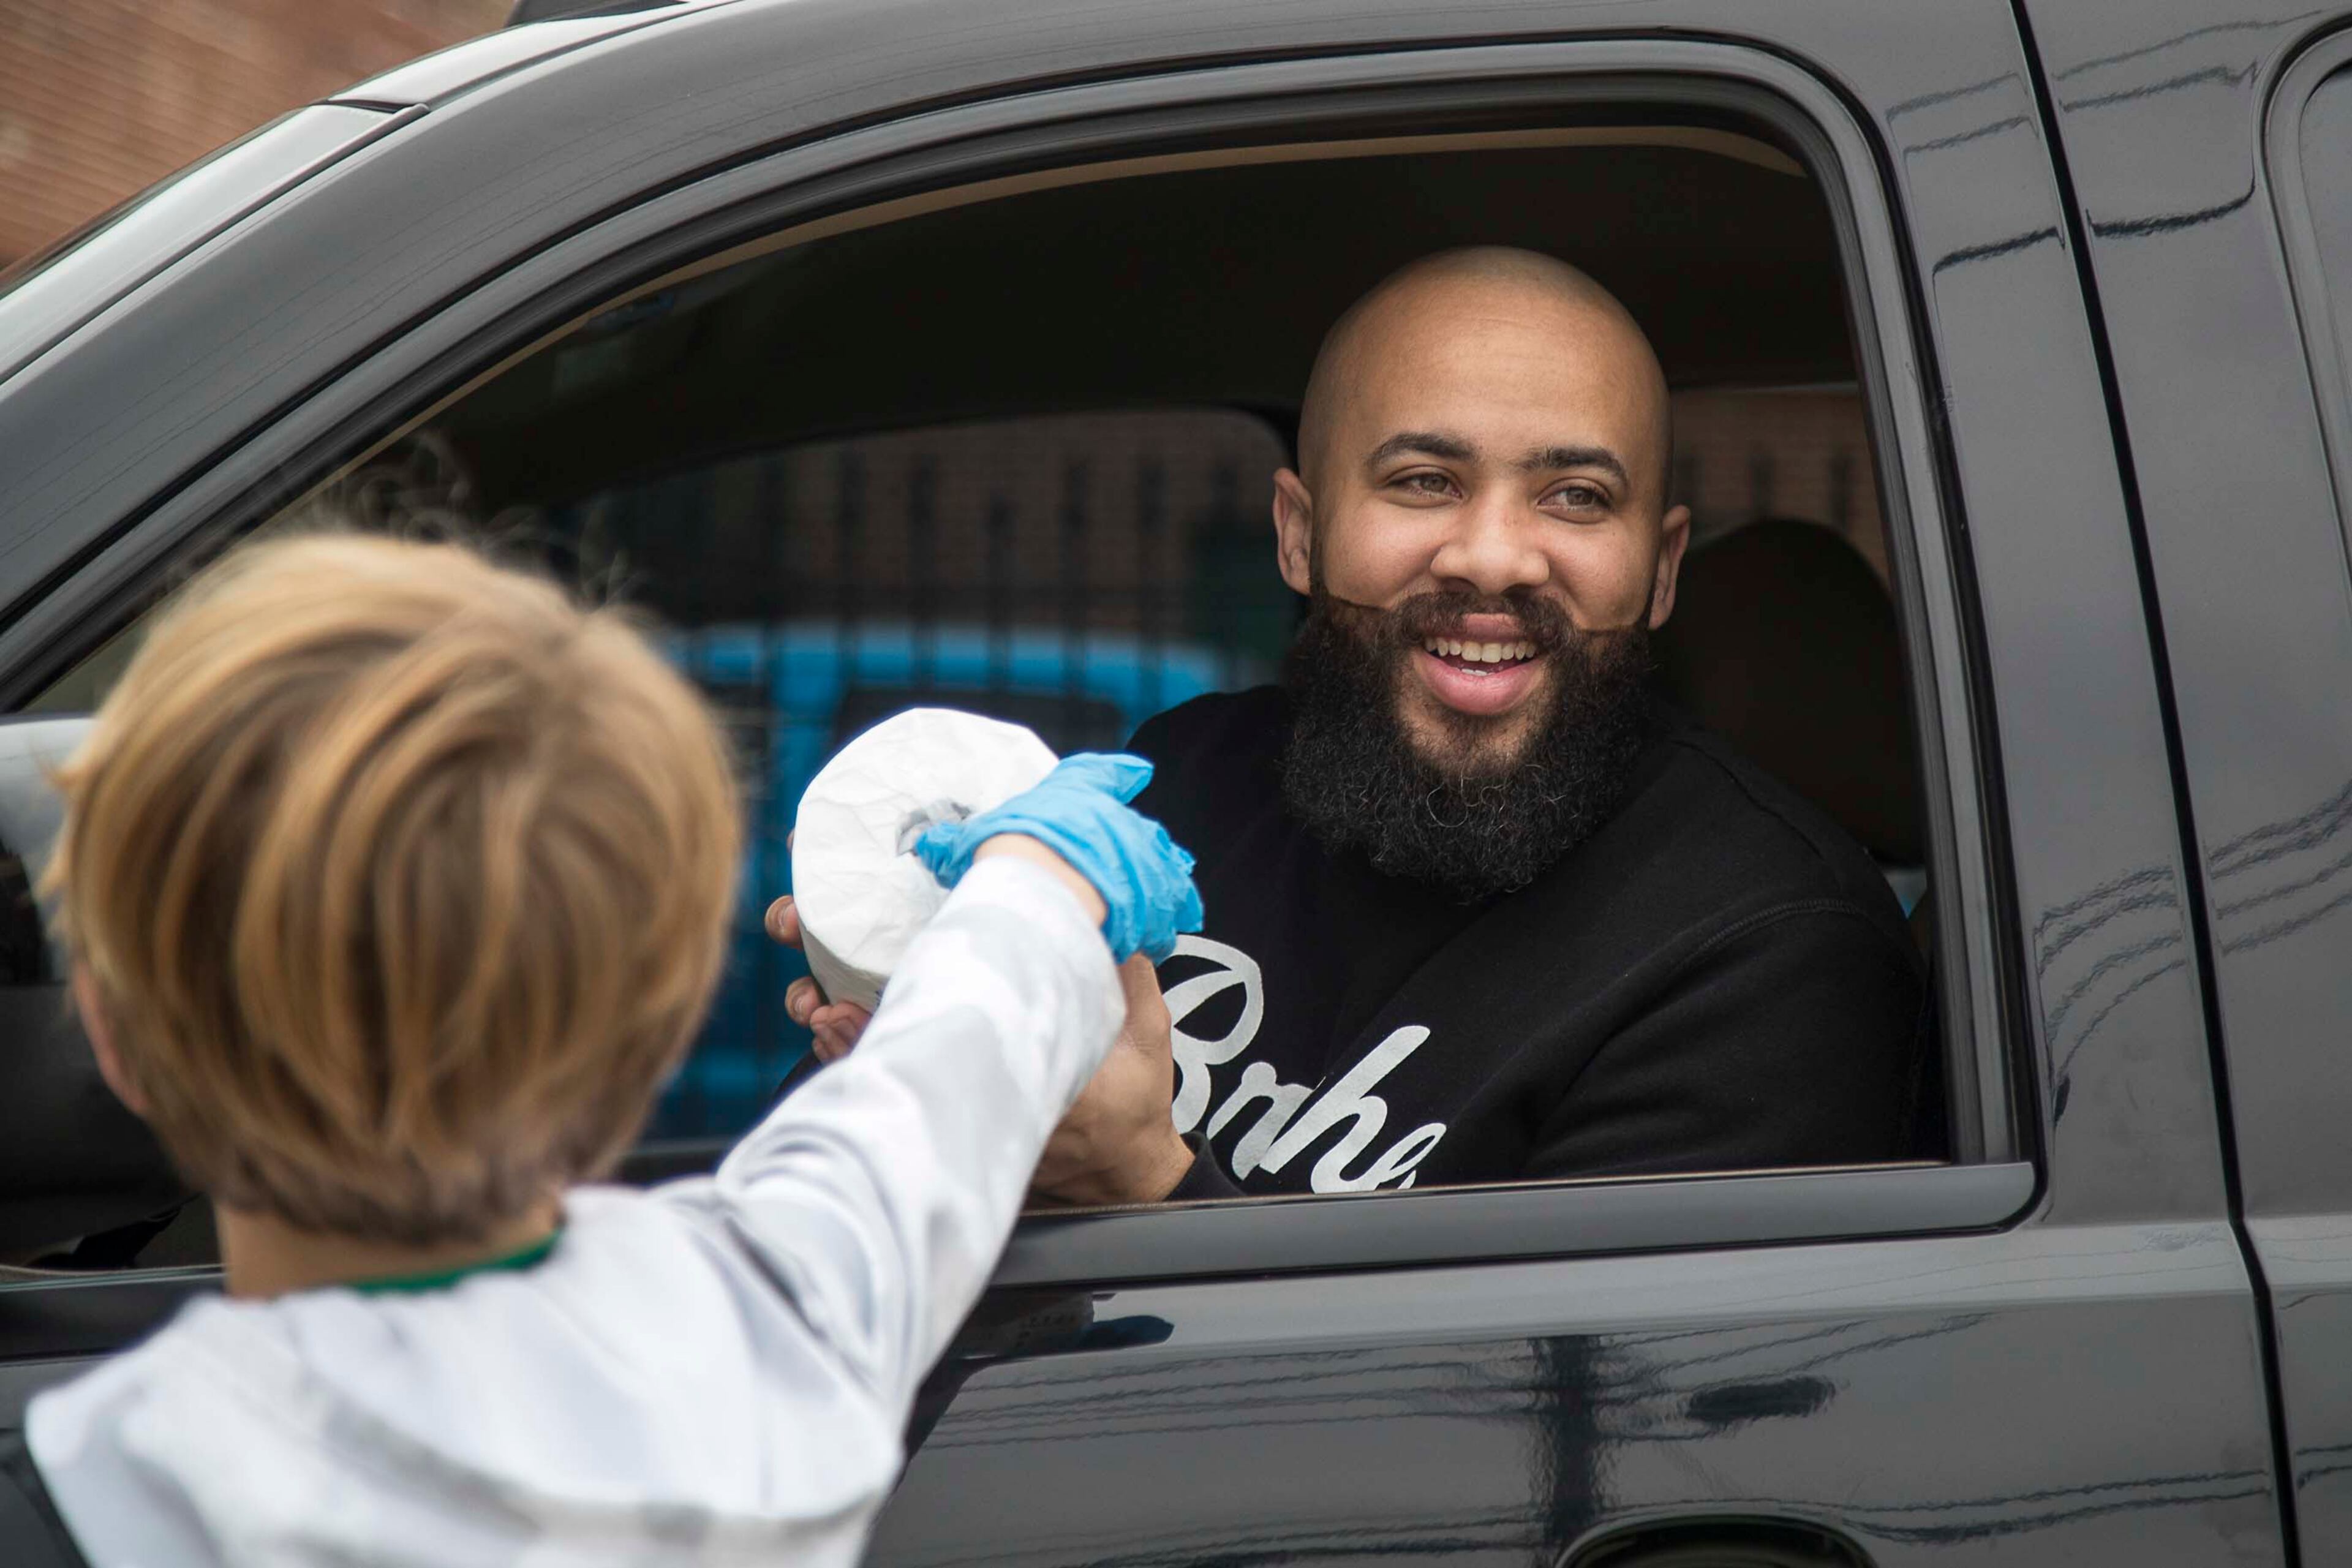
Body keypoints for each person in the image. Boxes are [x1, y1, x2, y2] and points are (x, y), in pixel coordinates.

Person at [13, 533, 1200, 1567]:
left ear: (119, 1037)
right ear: (660, 1027)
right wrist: (1041, 876)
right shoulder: (775, 1328)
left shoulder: (77, 1492)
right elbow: (950, 1075)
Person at [775, 245, 1932, 1204]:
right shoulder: (1184, 780)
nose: (1492, 556)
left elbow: (1539, 1461)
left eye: (1575, 497)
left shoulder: (1776, 955)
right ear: (1297, 535)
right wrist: (890, 1052)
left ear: (1662, 567)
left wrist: (1137, 1178)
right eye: (1424, 480)